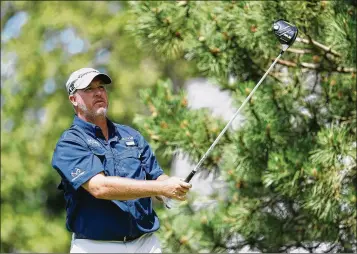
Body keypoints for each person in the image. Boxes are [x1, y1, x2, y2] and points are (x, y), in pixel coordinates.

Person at [51, 68, 192, 253]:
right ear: (73, 99)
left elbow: (156, 176)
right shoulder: (70, 142)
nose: (98, 92)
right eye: (88, 89)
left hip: (146, 244)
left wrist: (170, 189)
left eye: (101, 87)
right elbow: (99, 187)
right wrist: (161, 188)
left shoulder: (131, 135)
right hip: (96, 247)